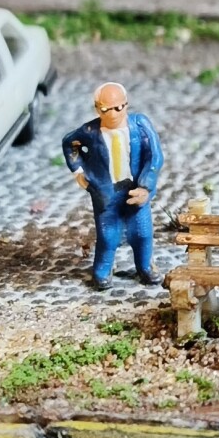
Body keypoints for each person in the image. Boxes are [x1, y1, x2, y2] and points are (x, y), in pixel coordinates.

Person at [62, 81, 164, 290]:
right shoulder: (90, 131)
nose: (113, 114)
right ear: (97, 109)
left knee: (142, 233)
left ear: (126, 104)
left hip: (135, 189)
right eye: (105, 109)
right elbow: (69, 143)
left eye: (119, 107)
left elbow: (154, 156)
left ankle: (145, 266)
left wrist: (146, 186)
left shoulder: (139, 125)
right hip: (106, 192)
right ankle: (102, 270)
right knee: (108, 236)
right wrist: (78, 171)